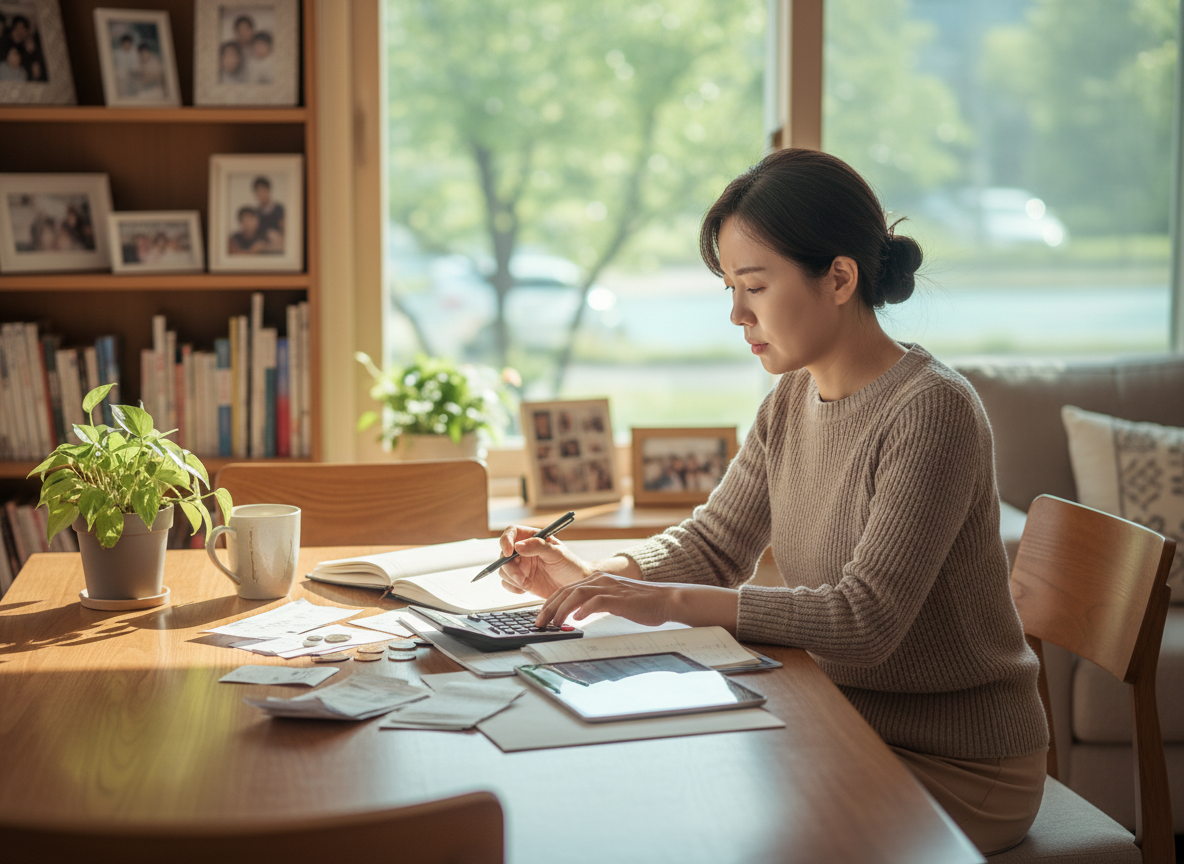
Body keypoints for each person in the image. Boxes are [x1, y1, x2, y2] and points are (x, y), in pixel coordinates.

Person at [496, 147, 1048, 856]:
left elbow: (865, 621)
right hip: (838, 725)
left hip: (958, 765)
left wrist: (662, 603)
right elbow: (714, 545)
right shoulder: (791, 396)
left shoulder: (932, 411)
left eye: (753, 286)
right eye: (729, 287)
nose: (736, 314)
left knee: (696, 823)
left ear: (839, 277)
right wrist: (599, 578)